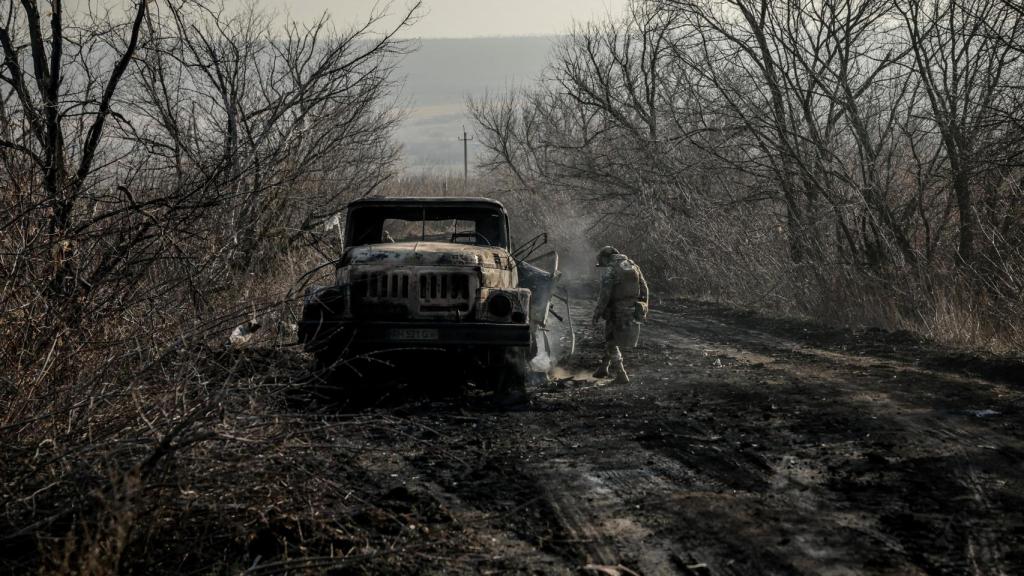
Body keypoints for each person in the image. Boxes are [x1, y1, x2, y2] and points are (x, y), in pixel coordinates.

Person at [592, 246, 649, 384]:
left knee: (611, 340)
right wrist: (644, 307)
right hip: (633, 307)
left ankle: (621, 373)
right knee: (611, 337)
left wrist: (597, 312)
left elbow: (604, 296)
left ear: (606, 258)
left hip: (617, 310)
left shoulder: (611, 270)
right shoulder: (633, 265)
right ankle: (604, 368)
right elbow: (645, 288)